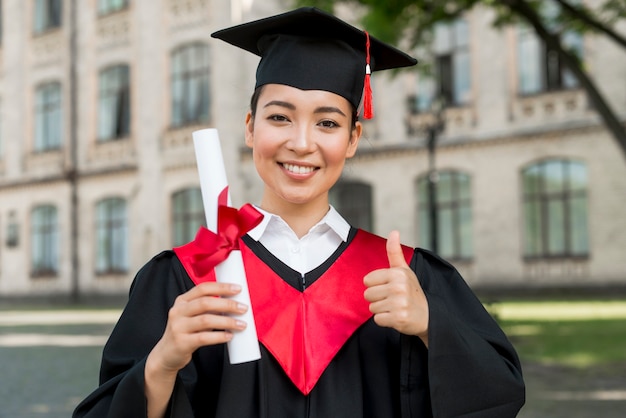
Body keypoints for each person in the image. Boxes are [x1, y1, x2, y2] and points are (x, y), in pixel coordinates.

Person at [74, 7, 525, 418]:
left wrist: (432, 327)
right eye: (279, 117)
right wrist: (163, 362)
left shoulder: (406, 277)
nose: (302, 142)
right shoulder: (185, 278)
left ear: (352, 138)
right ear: (250, 128)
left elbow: (500, 396)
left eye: (328, 122)